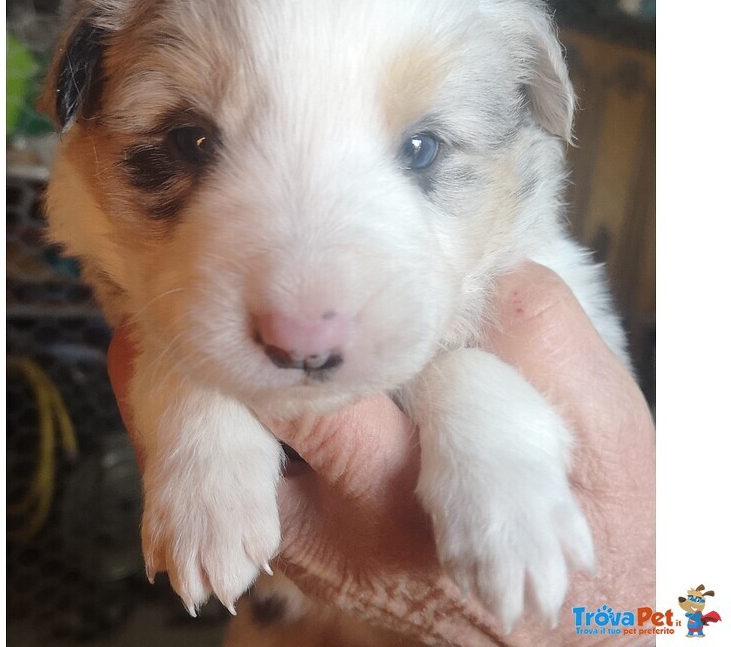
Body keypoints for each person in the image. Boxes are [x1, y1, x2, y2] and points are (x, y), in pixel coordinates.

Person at [107, 262, 655, 646]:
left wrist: (618, 632)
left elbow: (684, 611)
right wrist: (201, 428)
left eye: (417, 148)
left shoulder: (528, 292)